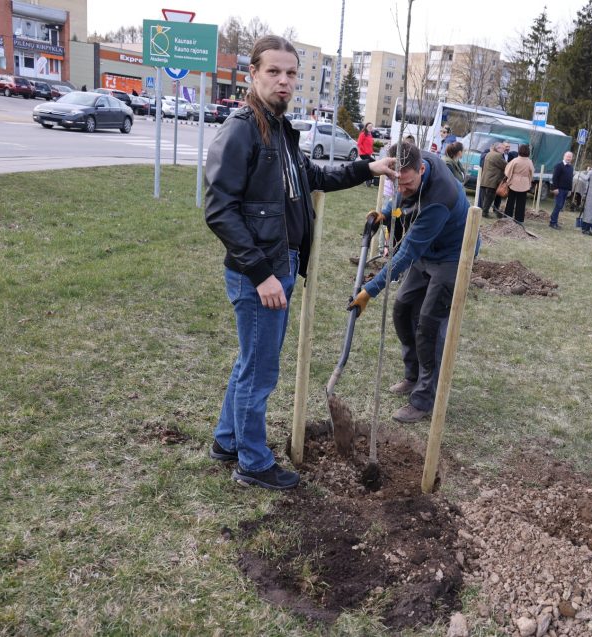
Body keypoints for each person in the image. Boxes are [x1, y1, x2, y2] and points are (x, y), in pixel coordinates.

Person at [203, 35, 397, 490]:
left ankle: (227, 440)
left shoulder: (280, 130)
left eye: (291, 73)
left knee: (250, 360)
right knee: (261, 368)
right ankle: (252, 462)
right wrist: (262, 274)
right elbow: (219, 209)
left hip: (280, 263)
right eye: (274, 72)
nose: (284, 81)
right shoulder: (242, 129)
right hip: (263, 271)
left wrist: (368, 168)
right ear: (253, 74)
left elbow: (313, 177)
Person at [348, 141, 474, 423]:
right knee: (403, 309)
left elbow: (406, 254)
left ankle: (424, 399)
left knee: (428, 322)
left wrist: (369, 290)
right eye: (398, 184)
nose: (403, 190)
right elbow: (403, 201)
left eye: (408, 184)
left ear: (422, 169)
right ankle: (413, 375)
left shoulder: (439, 198)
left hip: (453, 254)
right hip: (428, 249)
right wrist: (386, 211)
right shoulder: (413, 162)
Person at [503, 143, 535, 223]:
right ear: (528, 152)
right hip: (524, 183)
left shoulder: (515, 160)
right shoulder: (529, 162)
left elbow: (508, 171)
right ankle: (519, 219)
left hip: (514, 182)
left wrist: (509, 179)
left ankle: (507, 216)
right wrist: (529, 181)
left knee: (510, 200)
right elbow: (531, 173)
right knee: (521, 202)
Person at [479, 142, 506, 218]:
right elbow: (505, 165)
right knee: (489, 198)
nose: (504, 150)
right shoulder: (498, 155)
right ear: (497, 148)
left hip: (485, 179)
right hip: (492, 180)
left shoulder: (489, 153)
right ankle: (484, 213)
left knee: (485, 197)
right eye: (502, 148)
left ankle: (483, 212)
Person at [549, 151, 574, 229]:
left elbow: (570, 179)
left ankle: (554, 222)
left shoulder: (571, 167)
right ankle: (553, 222)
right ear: (564, 156)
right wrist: (555, 188)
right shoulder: (559, 166)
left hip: (566, 190)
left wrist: (570, 190)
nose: (568, 158)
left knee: (560, 207)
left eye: (570, 157)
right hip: (559, 189)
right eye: (567, 156)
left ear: (572, 158)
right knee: (558, 205)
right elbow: (554, 178)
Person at [358, 122, 376, 186]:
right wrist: (364, 151)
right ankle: (368, 180)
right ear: (366, 127)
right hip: (363, 154)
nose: (370, 128)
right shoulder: (363, 134)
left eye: (371, 127)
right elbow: (359, 144)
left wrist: (372, 151)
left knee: (368, 166)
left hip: (368, 154)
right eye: (369, 127)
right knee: (373, 163)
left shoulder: (369, 134)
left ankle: (367, 180)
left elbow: (370, 145)